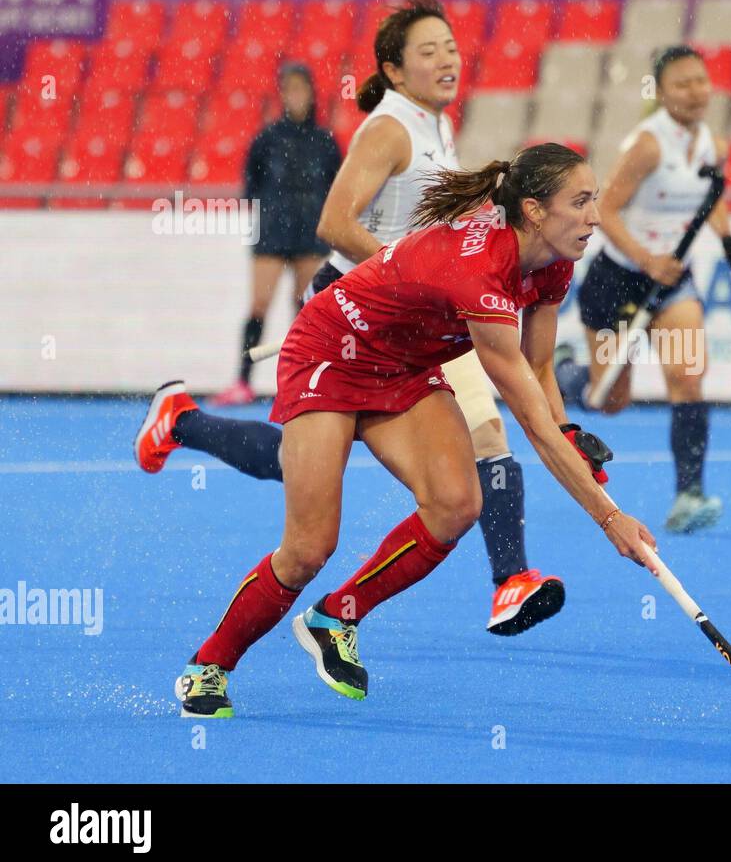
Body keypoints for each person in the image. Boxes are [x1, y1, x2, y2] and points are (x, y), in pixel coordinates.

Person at [136, 0, 573, 636]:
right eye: (428, 52)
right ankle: (185, 421)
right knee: (296, 465)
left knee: (483, 436)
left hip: (415, 323)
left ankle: (510, 581)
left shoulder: (436, 123)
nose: (447, 59)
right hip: (352, 314)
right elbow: (334, 224)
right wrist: (421, 275)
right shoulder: (390, 127)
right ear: (395, 71)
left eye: (450, 47)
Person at [175, 144, 658, 718]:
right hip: (331, 353)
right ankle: (208, 665)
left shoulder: (554, 259)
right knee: (309, 548)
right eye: (580, 203)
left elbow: (540, 370)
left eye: (594, 201)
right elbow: (529, 419)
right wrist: (609, 517)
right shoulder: (482, 273)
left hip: (404, 366)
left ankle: (336, 616)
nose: (595, 218)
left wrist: (569, 428)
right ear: (533, 210)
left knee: (456, 503)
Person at [554, 45, 731, 533]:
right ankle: (567, 374)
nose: (696, 91)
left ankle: (688, 494)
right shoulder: (647, 145)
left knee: (687, 376)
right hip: (619, 281)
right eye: (683, 83)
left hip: (673, 284)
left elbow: (710, 196)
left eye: (701, 80)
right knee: (609, 400)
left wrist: (727, 238)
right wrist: (646, 260)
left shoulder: (712, 144)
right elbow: (607, 211)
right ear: (661, 92)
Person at [210, 62, 340, 407]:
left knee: (306, 308)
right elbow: (251, 185)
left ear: (312, 94)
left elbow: (336, 186)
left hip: (311, 233)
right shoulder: (267, 139)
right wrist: (275, 208)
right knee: (259, 304)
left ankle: (302, 380)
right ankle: (243, 380)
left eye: (301, 88)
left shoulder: (325, 141)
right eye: (290, 88)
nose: (296, 96)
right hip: (272, 231)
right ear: (282, 94)